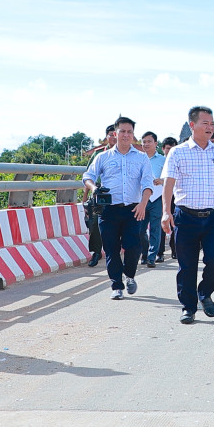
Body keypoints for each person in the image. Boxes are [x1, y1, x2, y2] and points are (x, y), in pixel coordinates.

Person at [161, 106, 214, 324]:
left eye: (212, 123)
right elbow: (169, 184)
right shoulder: (178, 152)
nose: (210, 127)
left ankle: (204, 292)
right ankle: (188, 307)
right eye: (205, 123)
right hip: (185, 217)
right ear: (192, 125)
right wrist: (166, 212)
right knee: (187, 265)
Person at [83, 117, 154, 300]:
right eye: (122, 131)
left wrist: (143, 203)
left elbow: (147, 183)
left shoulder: (141, 158)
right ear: (115, 133)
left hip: (133, 209)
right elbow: (88, 176)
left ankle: (129, 275)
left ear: (133, 135)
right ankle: (116, 285)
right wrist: (94, 188)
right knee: (112, 249)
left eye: (129, 132)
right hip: (108, 210)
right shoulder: (103, 157)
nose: (125, 135)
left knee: (133, 247)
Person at [83, 124, 116, 267]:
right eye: (111, 134)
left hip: (118, 196)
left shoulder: (129, 154)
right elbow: (88, 176)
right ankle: (96, 252)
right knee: (95, 224)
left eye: (116, 133)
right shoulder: (98, 154)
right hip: (99, 196)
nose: (113, 137)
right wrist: (85, 198)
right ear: (106, 137)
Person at [140, 131, 165, 267]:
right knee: (140, 229)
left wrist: (161, 180)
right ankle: (144, 253)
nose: (146, 144)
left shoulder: (163, 160)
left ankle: (151, 257)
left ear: (156, 143)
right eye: (144, 142)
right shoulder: (138, 159)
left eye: (149, 141)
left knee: (155, 229)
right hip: (142, 199)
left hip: (157, 198)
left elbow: (171, 178)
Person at [158, 136, 178, 261]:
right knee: (161, 224)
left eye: (173, 148)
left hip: (175, 197)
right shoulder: (159, 162)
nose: (170, 151)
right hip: (161, 198)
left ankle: (175, 249)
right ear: (163, 149)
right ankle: (159, 252)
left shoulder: (178, 161)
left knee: (175, 223)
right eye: (168, 149)